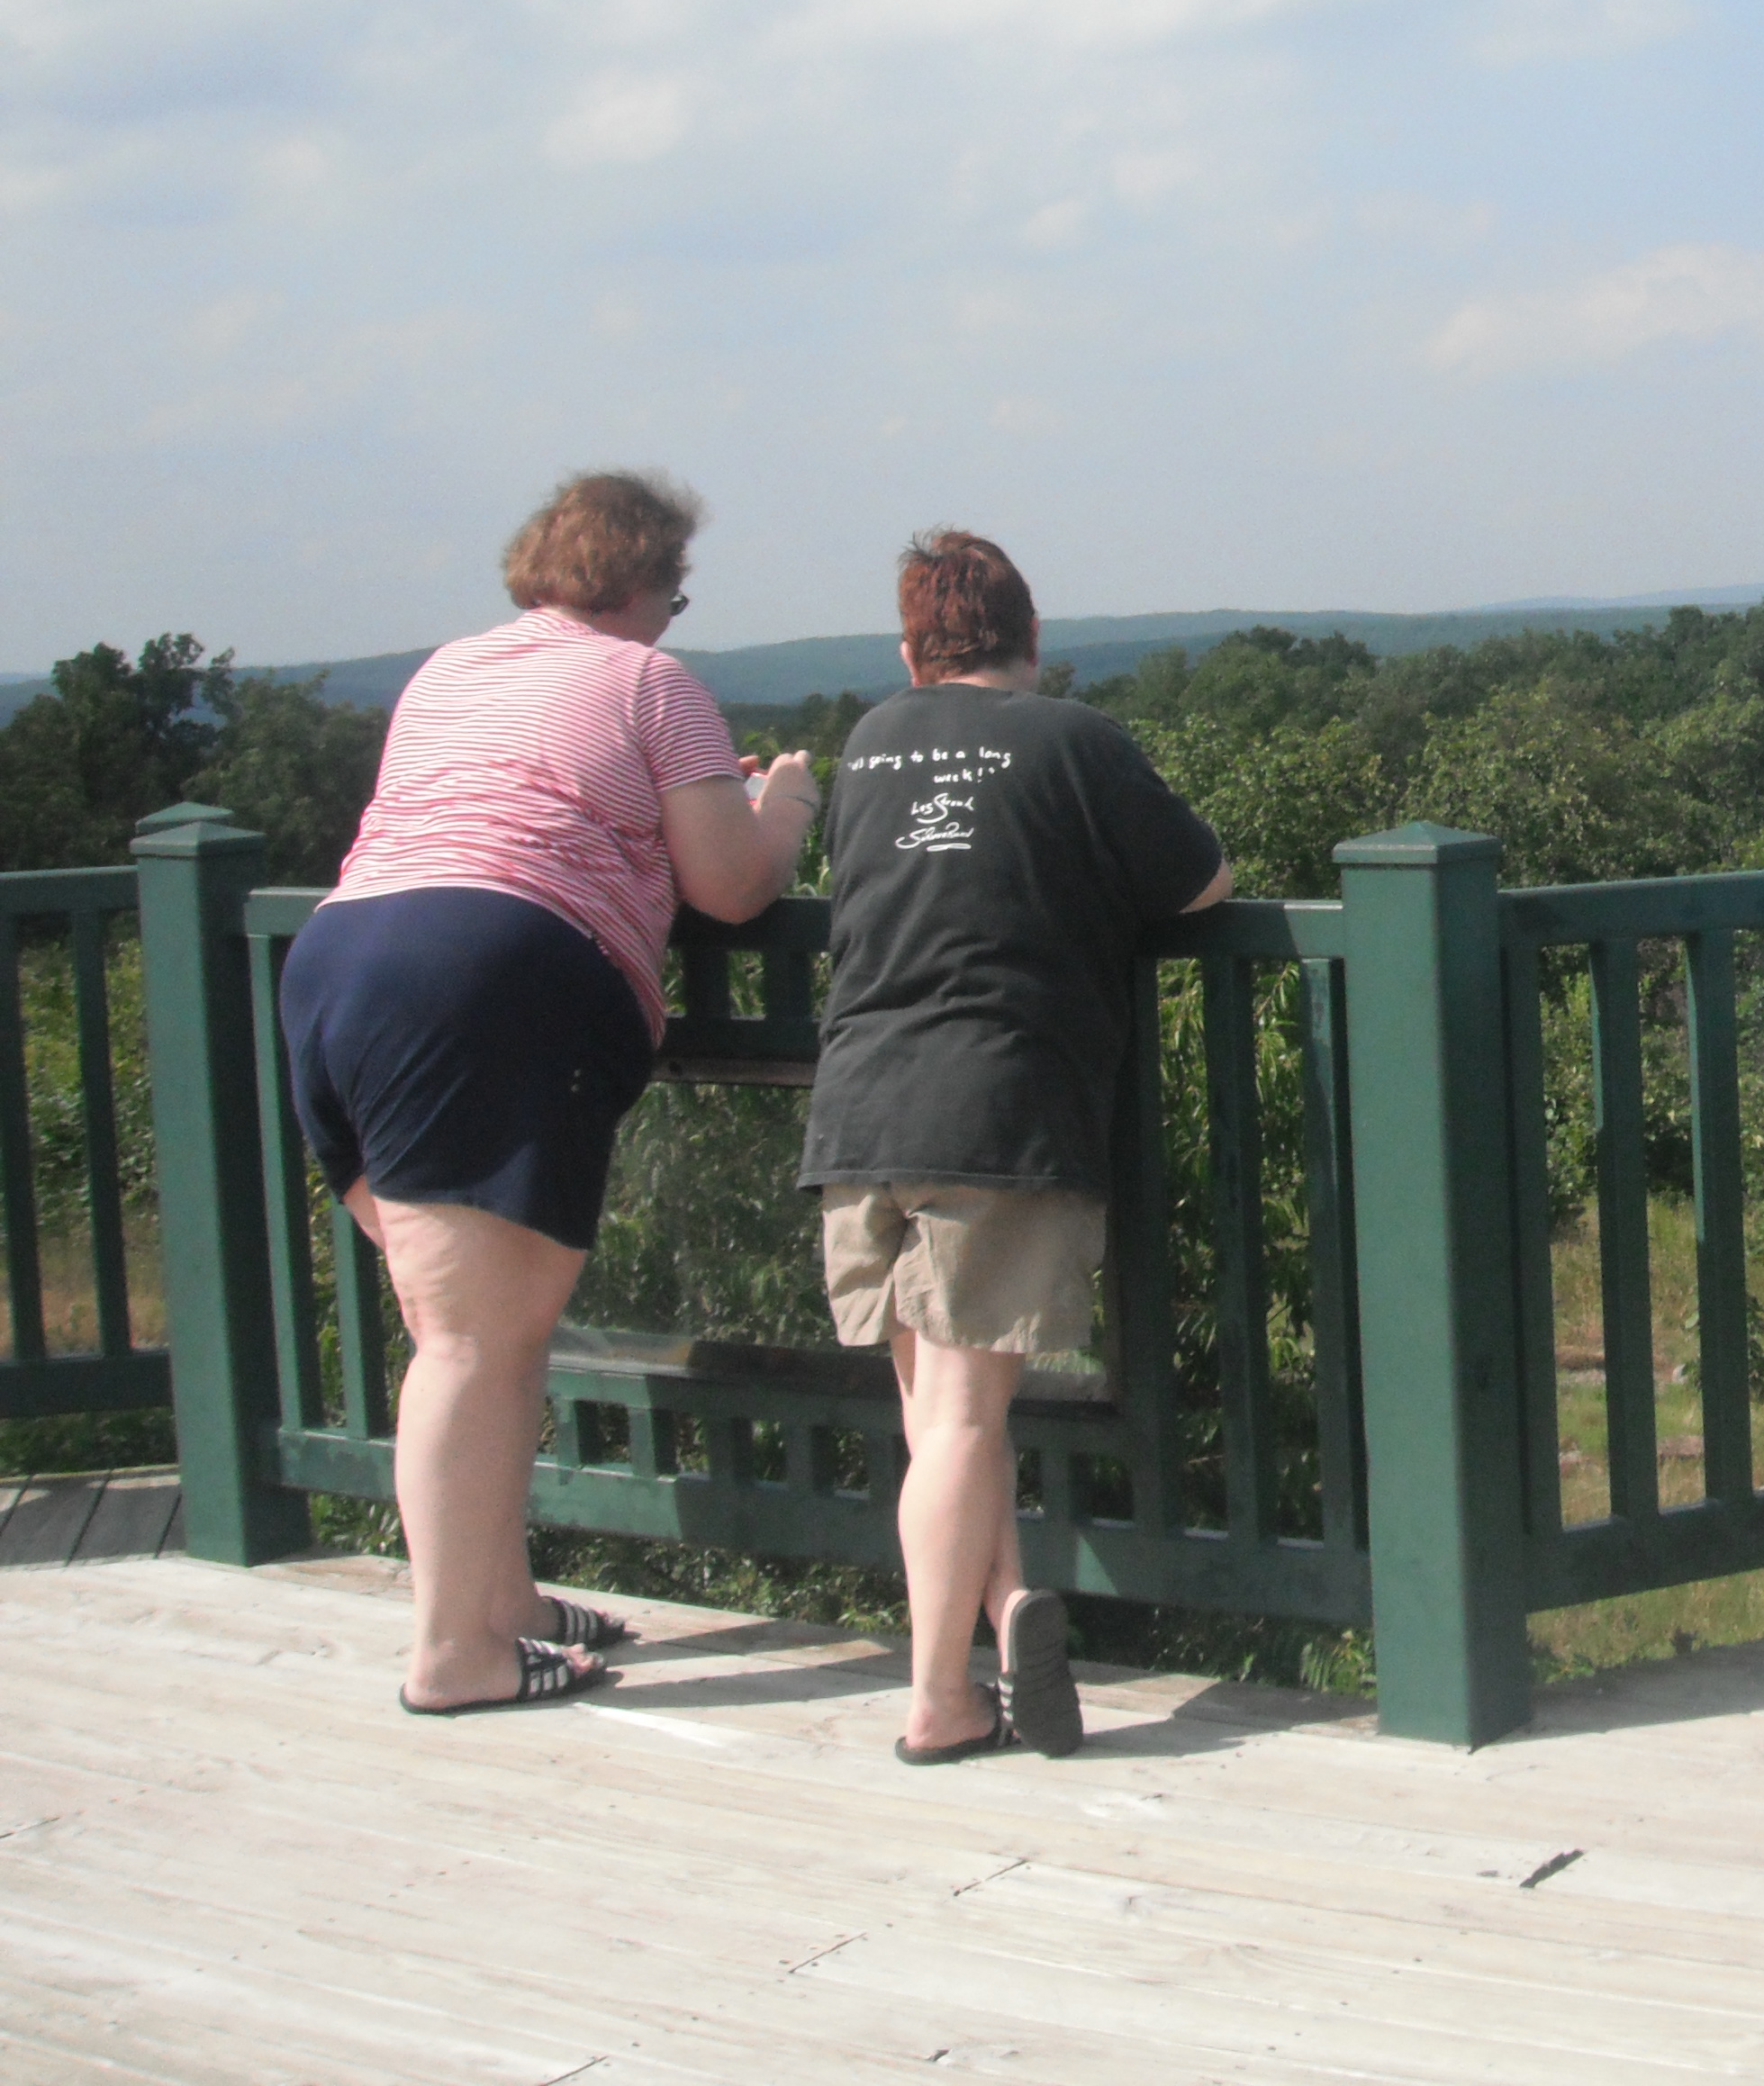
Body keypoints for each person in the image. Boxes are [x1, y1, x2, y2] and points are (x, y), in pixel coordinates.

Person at [280, 471, 818, 1714]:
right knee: (472, 1339)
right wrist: (781, 805)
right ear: (636, 581)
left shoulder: (449, 670)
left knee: (469, 1332)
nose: (673, 618)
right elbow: (733, 887)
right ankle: (451, 1654)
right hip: (489, 976)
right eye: (673, 594)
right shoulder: (649, 683)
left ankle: (500, 1605)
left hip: (341, 966)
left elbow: (512, 803)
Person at [802, 530, 1229, 1763]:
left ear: (911, 651)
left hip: (858, 1107)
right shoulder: (1075, 742)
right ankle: (939, 1701)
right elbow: (1199, 882)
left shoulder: (870, 744)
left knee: (934, 1414)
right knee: (969, 1417)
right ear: (1032, 640)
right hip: (997, 1102)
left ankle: (1005, 1608)